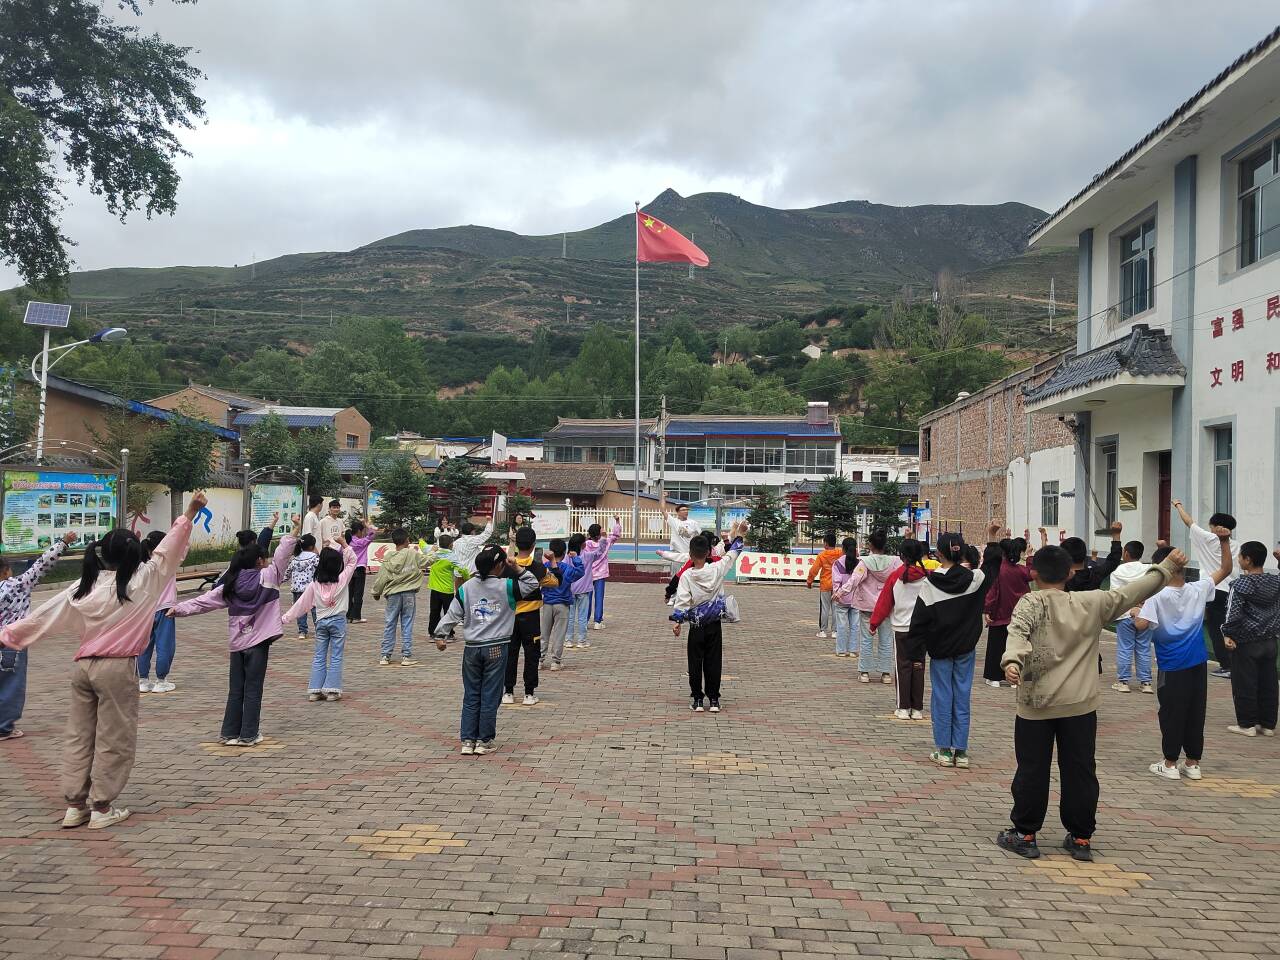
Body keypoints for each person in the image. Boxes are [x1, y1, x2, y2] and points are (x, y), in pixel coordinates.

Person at [0, 493, 204, 830]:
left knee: (79, 736)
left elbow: (41, 617)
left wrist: (8, 636)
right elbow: (168, 550)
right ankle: (101, 807)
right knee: (114, 738)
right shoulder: (145, 580)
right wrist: (190, 513)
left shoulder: (84, 586)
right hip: (117, 669)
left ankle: (74, 804)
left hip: (83, 668)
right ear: (135, 554)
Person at [997, 543, 1184, 861]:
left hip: (1035, 705)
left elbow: (1017, 634)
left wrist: (1012, 661)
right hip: (1080, 705)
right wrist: (1166, 566)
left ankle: (1025, 834)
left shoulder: (1030, 603)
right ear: (1070, 574)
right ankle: (1081, 838)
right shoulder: (1093, 602)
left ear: (1034, 573)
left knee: (1032, 769)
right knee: (1080, 770)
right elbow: (1134, 591)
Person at [170, 514, 299, 746]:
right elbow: (282, 554)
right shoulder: (269, 576)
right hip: (258, 643)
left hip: (237, 643)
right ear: (259, 561)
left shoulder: (231, 583)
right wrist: (294, 530)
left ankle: (229, 733)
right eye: (265, 558)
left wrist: (178, 609)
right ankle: (248, 734)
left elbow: (203, 601)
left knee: (236, 689)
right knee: (253, 689)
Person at [1133, 534, 1233, 782]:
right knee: (1195, 711)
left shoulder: (1156, 597)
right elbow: (1226, 569)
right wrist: (1224, 541)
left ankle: (1169, 763)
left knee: (1172, 713)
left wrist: (1136, 612)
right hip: (1197, 663)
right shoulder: (1198, 589)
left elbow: (1141, 625)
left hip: (1172, 666)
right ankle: (1193, 762)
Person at [905, 524, 1003, 769]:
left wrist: (915, 656)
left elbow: (918, 624)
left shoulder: (930, 585)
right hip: (966, 649)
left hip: (940, 651)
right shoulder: (976, 579)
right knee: (962, 695)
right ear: (963, 553)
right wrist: (992, 537)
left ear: (938, 553)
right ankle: (961, 751)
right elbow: (993, 565)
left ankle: (944, 751)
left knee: (942, 696)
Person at [433, 544, 540, 755]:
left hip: (472, 648)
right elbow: (532, 583)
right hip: (497, 647)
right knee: (490, 694)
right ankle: (484, 740)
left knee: (471, 694)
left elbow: (453, 613)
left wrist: (440, 634)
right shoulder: (506, 586)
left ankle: (467, 740)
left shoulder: (466, 588)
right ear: (499, 565)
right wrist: (517, 567)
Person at [0, 532, 75, 741]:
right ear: (5, 570)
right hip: (12, 643)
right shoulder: (17, 585)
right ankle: (4, 728)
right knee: (11, 685)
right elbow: (42, 564)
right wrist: (63, 542)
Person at [671, 521, 746, 713]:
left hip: (696, 625)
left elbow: (682, 600)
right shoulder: (717, 568)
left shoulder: (687, 576)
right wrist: (740, 535)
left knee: (695, 662)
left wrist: (678, 622)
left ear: (690, 554)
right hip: (714, 623)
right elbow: (733, 553)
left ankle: (697, 699)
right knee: (713, 661)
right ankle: (714, 699)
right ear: (708, 553)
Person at [281, 537, 358, 702]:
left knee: (319, 655)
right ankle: (332, 691)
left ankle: (315, 691)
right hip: (338, 621)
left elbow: (301, 604)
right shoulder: (342, 579)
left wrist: (285, 618)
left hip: (321, 622)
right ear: (337, 565)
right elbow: (352, 561)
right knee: (336, 656)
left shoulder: (314, 584)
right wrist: (344, 543)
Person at [1172, 499, 1240, 679]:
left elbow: (1188, 521)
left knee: (1215, 630)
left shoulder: (1207, 538)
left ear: (1215, 527)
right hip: (1232, 592)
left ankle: (1226, 666)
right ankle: (1235, 663)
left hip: (1212, 589)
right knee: (1229, 627)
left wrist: (1178, 505)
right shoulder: (1236, 545)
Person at [1221, 541, 1280, 737]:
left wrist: (1227, 633)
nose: (1238, 559)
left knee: (1245, 682)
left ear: (1248, 560)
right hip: (1270, 640)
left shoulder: (1240, 585)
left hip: (1246, 642)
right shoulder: (1275, 582)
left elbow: (1233, 613)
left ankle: (1247, 724)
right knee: (1269, 683)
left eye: (1240, 556)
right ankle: (1268, 724)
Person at [870, 538, 930, 720]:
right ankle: (917, 709)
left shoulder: (896, 576)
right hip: (922, 630)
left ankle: (903, 707)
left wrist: (874, 623)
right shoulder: (928, 577)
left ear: (902, 555)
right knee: (918, 666)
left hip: (902, 628)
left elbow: (884, 602)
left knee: (902, 667)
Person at [371, 528, 434, 666]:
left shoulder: (388, 556)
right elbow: (428, 561)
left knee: (390, 623)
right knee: (407, 623)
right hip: (409, 594)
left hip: (392, 594)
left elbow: (382, 577)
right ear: (407, 540)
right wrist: (434, 552)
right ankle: (406, 656)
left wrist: (376, 592)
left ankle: (385, 655)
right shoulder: (412, 553)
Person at [847, 529, 901, 684]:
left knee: (866, 639)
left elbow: (854, 580)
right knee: (886, 639)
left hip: (867, 606)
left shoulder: (865, 562)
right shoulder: (895, 562)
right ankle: (886, 674)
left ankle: (865, 672)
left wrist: (840, 592)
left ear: (870, 545)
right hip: (886, 606)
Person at [503, 526, 548, 705]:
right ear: (533, 545)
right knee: (531, 654)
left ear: (516, 543)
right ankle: (529, 694)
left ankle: (508, 692)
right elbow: (555, 581)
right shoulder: (538, 568)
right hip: (531, 617)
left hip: (509, 617)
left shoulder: (505, 567)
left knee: (510, 653)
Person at [982, 538, 1035, 688]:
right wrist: (1029, 557)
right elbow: (1032, 573)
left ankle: (994, 677)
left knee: (996, 647)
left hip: (1000, 614)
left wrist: (987, 610)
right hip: (1019, 615)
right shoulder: (1021, 570)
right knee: (1017, 647)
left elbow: (993, 592)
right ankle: (1015, 677)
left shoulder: (998, 569)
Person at [1108, 540, 1155, 694]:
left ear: (1126, 553)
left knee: (1125, 648)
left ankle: (1123, 682)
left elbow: (1115, 595)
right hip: (1144, 614)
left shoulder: (1117, 572)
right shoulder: (1149, 570)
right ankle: (1146, 683)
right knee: (1144, 648)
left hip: (1124, 615)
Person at [136, 530, 180, 694]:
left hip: (144, 609)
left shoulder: (140, 564)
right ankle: (161, 681)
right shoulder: (169, 561)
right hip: (165, 608)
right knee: (165, 645)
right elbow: (182, 544)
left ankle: (143, 679)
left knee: (144, 646)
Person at [540, 538, 583, 671]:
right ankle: (555, 662)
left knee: (544, 633)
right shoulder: (567, 569)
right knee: (559, 634)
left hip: (547, 603)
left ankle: (539, 660)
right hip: (563, 604)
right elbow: (580, 571)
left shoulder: (545, 567)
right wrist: (576, 558)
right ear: (564, 553)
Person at [581, 517, 622, 631]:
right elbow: (616, 535)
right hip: (600, 574)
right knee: (599, 598)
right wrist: (617, 522)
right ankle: (597, 622)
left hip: (588, 574)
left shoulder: (586, 544)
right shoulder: (605, 542)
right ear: (599, 534)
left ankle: (584, 621)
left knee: (587, 599)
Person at [1061, 522, 1123, 592]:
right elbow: (1113, 560)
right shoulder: (1095, 574)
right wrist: (1116, 534)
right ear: (1084, 554)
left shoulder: (1060, 580)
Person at [426, 535, 464, 641]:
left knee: (434, 612)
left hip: (434, 588)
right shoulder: (452, 556)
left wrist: (420, 541)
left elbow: (423, 546)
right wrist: (466, 577)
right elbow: (462, 569)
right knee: (449, 612)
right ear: (451, 545)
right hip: (447, 589)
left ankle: (432, 633)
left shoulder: (434, 554)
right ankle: (449, 634)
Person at [663, 503, 702, 603]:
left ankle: (690, 596)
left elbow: (700, 536)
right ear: (678, 512)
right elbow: (663, 510)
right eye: (683, 510)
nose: (686, 511)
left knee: (690, 576)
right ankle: (673, 597)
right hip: (677, 553)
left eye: (687, 510)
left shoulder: (693, 523)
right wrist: (663, 498)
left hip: (689, 554)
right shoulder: (674, 522)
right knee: (675, 575)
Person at [829, 537, 861, 658]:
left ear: (843, 548)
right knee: (855, 626)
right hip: (856, 599)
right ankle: (853, 650)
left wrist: (837, 593)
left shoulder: (837, 563)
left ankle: (841, 650)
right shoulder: (860, 563)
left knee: (842, 626)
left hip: (841, 599)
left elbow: (836, 582)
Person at [806, 532, 842, 639]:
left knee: (825, 608)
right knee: (835, 608)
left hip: (825, 584)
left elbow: (814, 570)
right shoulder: (840, 553)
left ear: (826, 543)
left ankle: (823, 631)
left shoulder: (822, 555)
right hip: (837, 585)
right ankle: (835, 631)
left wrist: (809, 581)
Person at [285, 534, 319, 640]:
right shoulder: (314, 558)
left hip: (297, 588)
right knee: (315, 609)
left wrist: (281, 580)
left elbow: (287, 572)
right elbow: (321, 568)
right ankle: (318, 630)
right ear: (312, 546)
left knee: (300, 610)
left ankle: (302, 631)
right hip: (311, 588)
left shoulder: (295, 558)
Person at [345, 519, 378, 624]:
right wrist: (367, 525)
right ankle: (356, 616)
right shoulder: (362, 542)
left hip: (349, 569)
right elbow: (373, 533)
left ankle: (348, 615)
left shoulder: (348, 541)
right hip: (359, 568)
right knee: (358, 593)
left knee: (349, 593)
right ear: (359, 531)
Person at [567, 533, 594, 649]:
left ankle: (568, 640)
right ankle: (581, 641)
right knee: (582, 617)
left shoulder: (567, 556)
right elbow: (601, 552)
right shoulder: (587, 556)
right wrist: (603, 539)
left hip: (570, 590)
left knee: (570, 617)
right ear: (583, 544)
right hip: (583, 590)